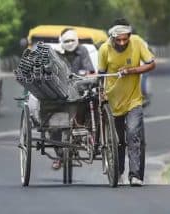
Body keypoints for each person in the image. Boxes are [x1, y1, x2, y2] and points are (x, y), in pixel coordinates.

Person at [98, 18, 156, 186]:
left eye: (126, 38)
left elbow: (151, 64)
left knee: (133, 134)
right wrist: (101, 94)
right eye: (119, 39)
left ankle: (135, 175)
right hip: (113, 103)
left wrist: (131, 71)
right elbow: (100, 76)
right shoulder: (104, 49)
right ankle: (118, 172)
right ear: (112, 37)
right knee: (117, 140)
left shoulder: (137, 42)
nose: (122, 42)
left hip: (133, 100)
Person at [51, 28, 95, 170]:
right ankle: (59, 155)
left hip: (80, 91)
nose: (70, 43)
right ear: (61, 42)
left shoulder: (82, 51)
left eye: (72, 40)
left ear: (77, 41)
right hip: (61, 93)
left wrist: (87, 76)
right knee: (54, 123)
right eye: (66, 41)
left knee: (95, 103)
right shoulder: (56, 53)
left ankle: (92, 137)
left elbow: (90, 70)